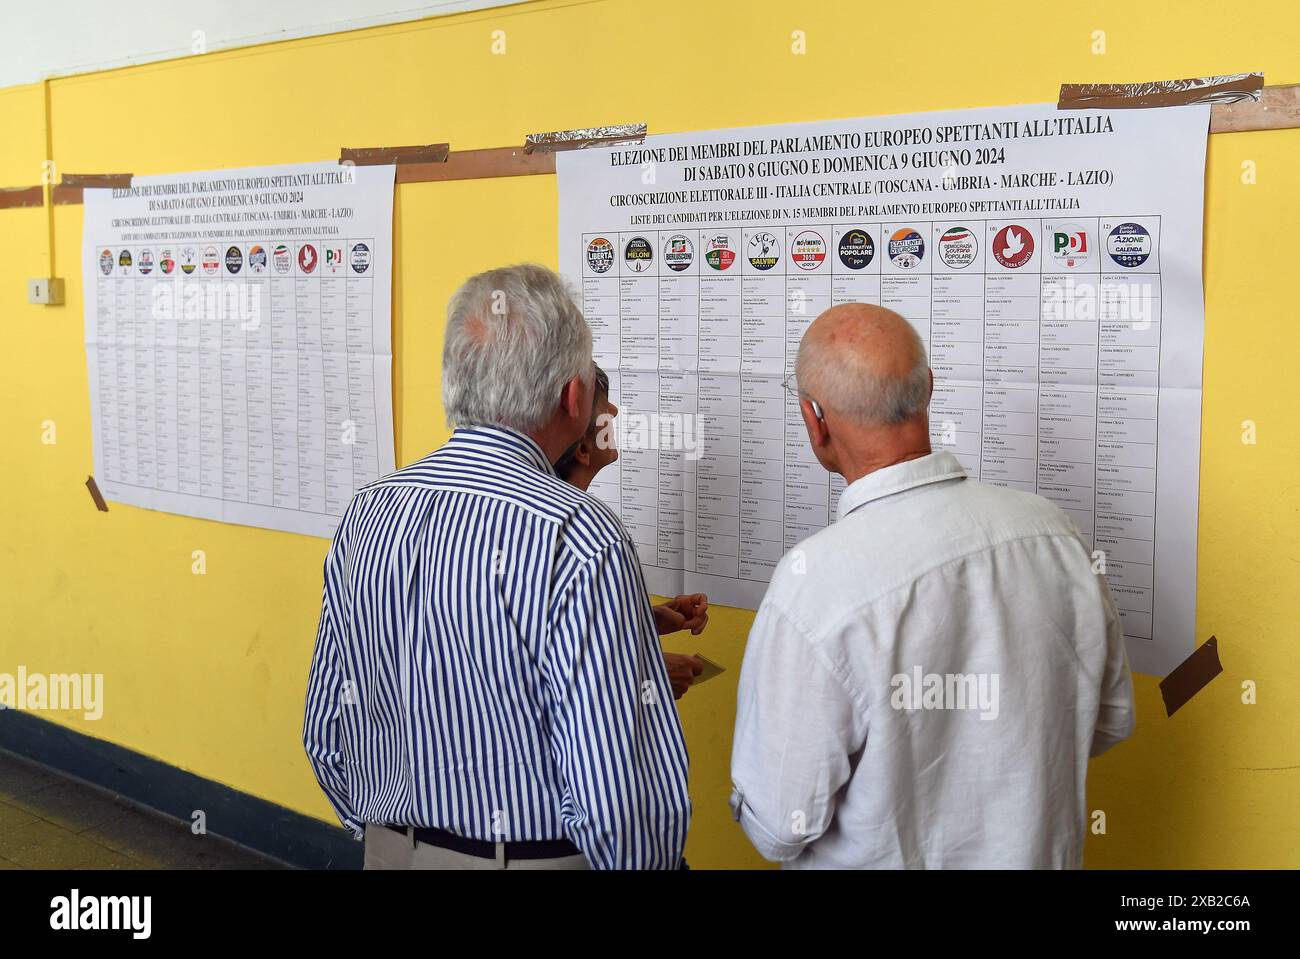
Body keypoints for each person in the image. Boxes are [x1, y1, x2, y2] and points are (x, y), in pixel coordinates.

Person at [304, 264, 690, 870]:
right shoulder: (578, 532)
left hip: (389, 848)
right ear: (574, 396)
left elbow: (326, 725)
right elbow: (615, 787)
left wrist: (391, 831)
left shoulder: (367, 511)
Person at [729, 303, 1135, 869]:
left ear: (814, 419)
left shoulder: (815, 585)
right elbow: (1112, 718)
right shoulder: (1054, 532)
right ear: (928, 391)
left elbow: (778, 828)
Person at [554, 364, 710, 699]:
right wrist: (652, 674)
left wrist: (643, 622)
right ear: (582, 450)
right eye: (602, 405)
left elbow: (568, 634)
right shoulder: (591, 538)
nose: (614, 410)